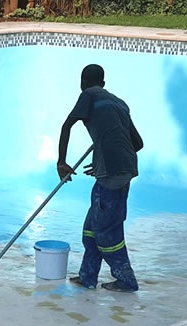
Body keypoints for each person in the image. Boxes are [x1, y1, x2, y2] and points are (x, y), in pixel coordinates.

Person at [57, 64, 144, 292]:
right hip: (120, 170)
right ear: (103, 83)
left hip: (112, 174)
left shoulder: (88, 94)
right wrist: (103, 153)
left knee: (106, 231)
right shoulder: (120, 103)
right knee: (91, 228)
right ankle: (88, 276)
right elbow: (138, 144)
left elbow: (67, 125)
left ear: (82, 83)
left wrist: (61, 162)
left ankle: (126, 280)